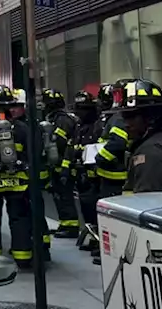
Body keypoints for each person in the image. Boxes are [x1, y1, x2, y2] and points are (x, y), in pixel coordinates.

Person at [0, 86, 50, 269]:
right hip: (18, 182)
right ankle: (22, 257)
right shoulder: (23, 127)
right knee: (19, 217)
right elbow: (36, 152)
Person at [40, 88, 80, 239]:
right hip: (57, 165)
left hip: (65, 165)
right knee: (58, 195)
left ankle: (71, 227)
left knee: (65, 196)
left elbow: (61, 144)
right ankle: (64, 223)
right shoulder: (55, 119)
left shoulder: (62, 120)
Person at [69, 89, 103, 255]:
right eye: (79, 109)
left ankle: (98, 241)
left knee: (92, 206)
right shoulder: (79, 126)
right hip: (80, 172)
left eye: (84, 109)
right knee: (85, 207)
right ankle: (92, 236)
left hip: (94, 175)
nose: (80, 112)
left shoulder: (98, 126)